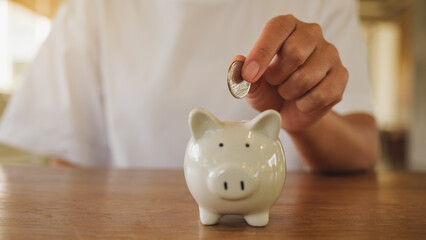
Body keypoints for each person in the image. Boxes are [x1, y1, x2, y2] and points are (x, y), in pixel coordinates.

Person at [0, 0, 379, 172]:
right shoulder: (93, 9)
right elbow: (69, 167)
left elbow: (364, 151)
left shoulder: (323, 5)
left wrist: (306, 120)